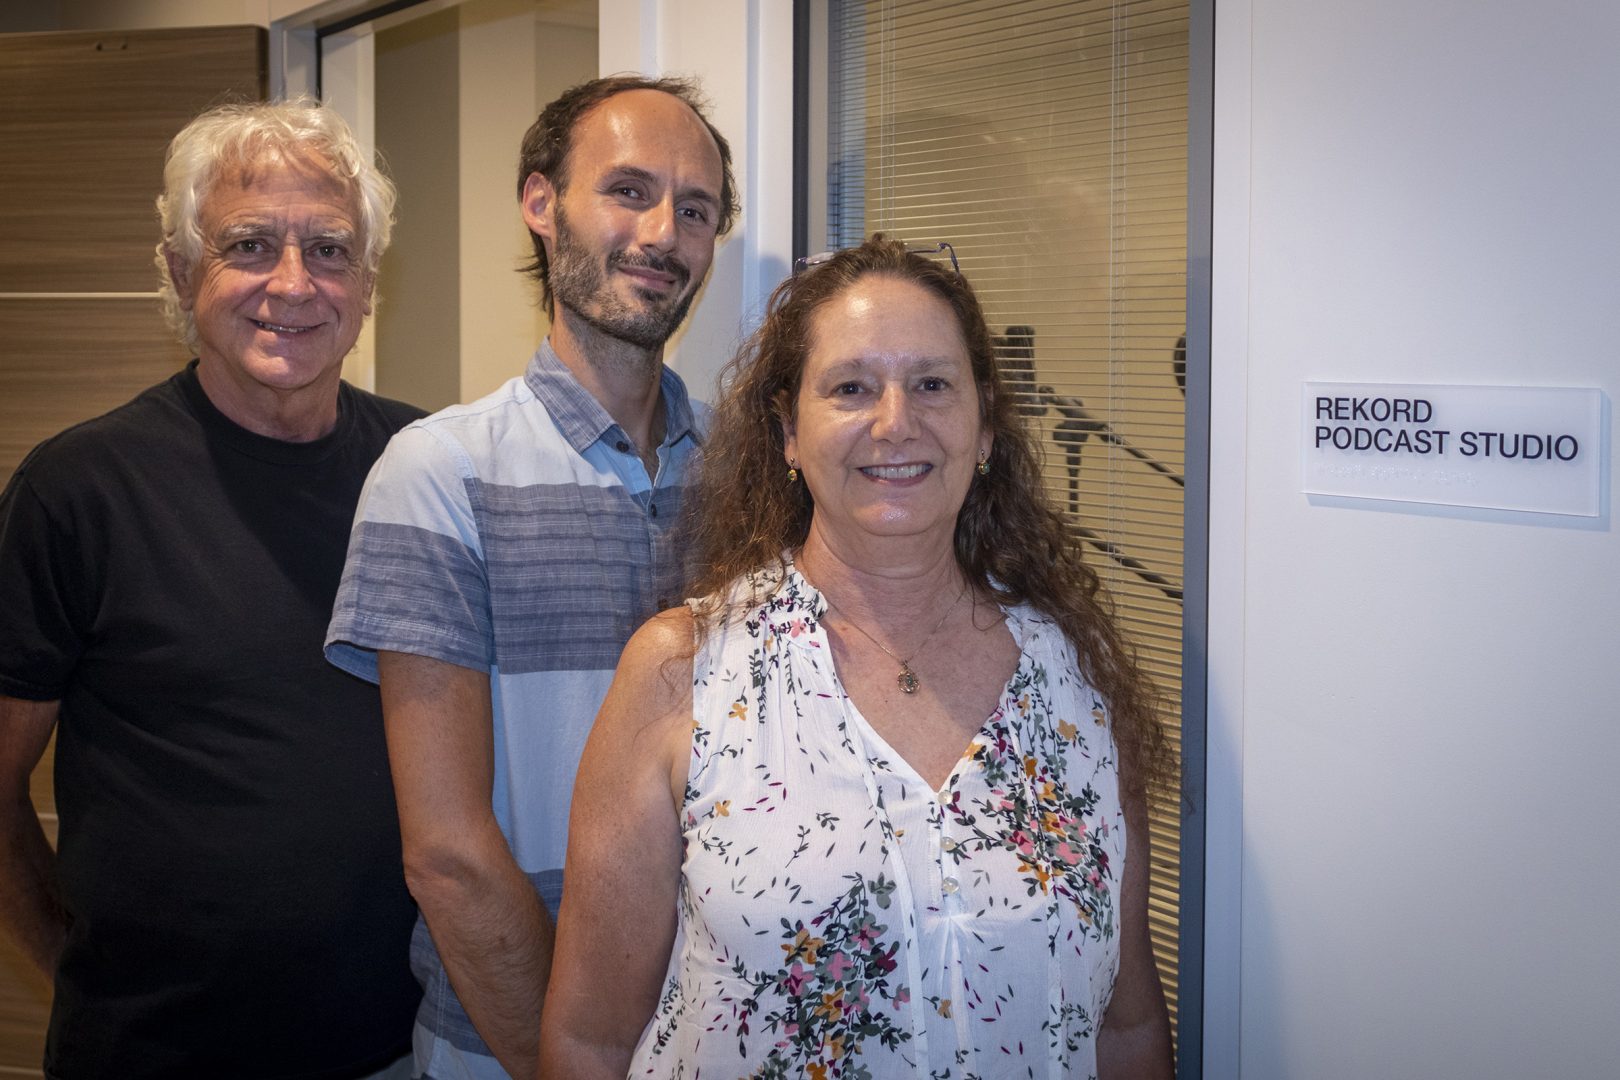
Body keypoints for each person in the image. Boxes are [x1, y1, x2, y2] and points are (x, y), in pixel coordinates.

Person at [539, 237, 1176, 1078]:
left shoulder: (1075, 685)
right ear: (789, 434)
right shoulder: (682, 674)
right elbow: (589, 1040)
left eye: (932, 385)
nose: (895, 422)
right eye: (850, 387)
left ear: (985, 427)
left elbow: (1125, 1026)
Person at [325, 74, 737, 1080]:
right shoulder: (440, 473)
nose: (663, 234)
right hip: (506, 1051)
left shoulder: (751, 481)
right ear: (541, 203)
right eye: (627, 191)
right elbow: (451, 856)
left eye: (696, 209)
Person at [0, 100, 423, 1078]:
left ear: (366, 288)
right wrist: (76, 966)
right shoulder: (79, 492)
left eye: (329, 249)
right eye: (249, 244)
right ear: (181, 270)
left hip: (401, 1052)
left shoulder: (426, 471)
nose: (294, 283)